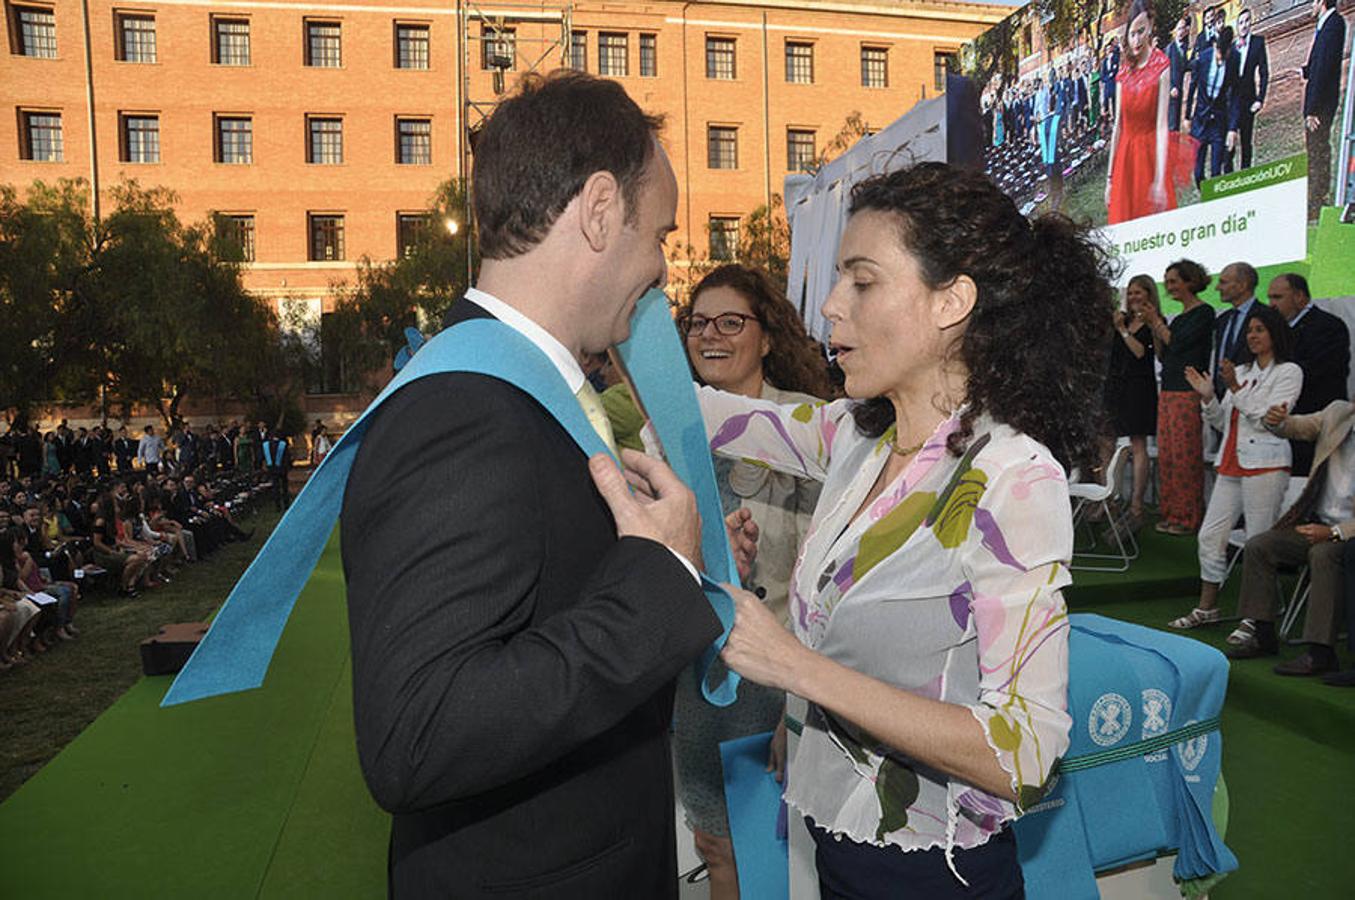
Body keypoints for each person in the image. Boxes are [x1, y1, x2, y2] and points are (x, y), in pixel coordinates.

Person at [342, 71, 733, 897]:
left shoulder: (524, 388)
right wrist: (656, 583)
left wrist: (657, 556)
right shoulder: (463, 410)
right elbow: (415, 736)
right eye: (657, 232)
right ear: (598, 210)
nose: (663, 267)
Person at [701, 162, 1109, 897]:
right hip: (839, 849)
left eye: (861, 281)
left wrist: (793, 666)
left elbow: (1024, 753)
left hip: (935, 875)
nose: (828, 306)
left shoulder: (1012, 477)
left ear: (951, 300)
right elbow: (699, 415)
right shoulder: (853, 439)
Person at [666, 264, 830, 898]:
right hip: (701, 677)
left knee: (783, 851)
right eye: (699, 323)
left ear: (766, 337)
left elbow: (833, 589)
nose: (712, 335)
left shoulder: (810, 427)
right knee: (715, 842)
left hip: (784, 680)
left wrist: (803, 707)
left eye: (731, 321)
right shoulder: (673, 431)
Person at [1171, 306, 1301, 629]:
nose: (1252, 336)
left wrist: (1234, 389)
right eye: (1250, 330)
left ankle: (1255, 620)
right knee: (1210, 536)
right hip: (1230, 464)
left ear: (1275, 334)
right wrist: (1207, 399)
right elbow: (1221, 423)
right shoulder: (1240, 371)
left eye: (1259, 330)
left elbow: (1270, 419)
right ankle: (1207, 608)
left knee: (1258, 544)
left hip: (1266, 464)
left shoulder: (1289, 372)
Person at [1231, 398, 1355, 677]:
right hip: (1316, 524)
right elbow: (1300, 426)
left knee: (1323, 554)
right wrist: (1277, 421)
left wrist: (1335, 533)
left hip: (1347, 536)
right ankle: (1262, 635)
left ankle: (1321, 653)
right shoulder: (1338, 412)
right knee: (1260, 545)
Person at [1142, 259, 1215, 534]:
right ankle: (1171, 513)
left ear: (1190, 282)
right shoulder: (1181, 317)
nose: (1169, 286)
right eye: (1167, 281)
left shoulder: (1203, 313)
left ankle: (1188, 518)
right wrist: (1155, 326)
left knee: (1185, 456)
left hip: (1188, 392)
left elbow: (1181, 346)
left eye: (1174, 281)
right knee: (1169, 455)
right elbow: (1165, 353)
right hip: (1169, 389)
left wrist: (1157, 324)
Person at [1106, 0, 1189, 224]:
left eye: (1141, 31)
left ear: (1151, 26)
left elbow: (1163, 125)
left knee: (1155, 223)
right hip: (1125, 158)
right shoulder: (1123, 71)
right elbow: (1117, 126)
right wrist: (1110, 179)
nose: (1136, 40)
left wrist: (1160, 179)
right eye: (1132, 33)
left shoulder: (1162, 65)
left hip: (1151, 154)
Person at [1267, 272, 1350, 475]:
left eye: (1277, 297)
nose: (1271, 304)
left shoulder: (1327, 326)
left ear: (1300, 297)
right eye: (1269, 297)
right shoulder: (1276, 330)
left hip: (1314, 424)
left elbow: (1317, 370)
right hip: (1281, 428)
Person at [1106, 275, 1160, 526]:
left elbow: (1139, 353)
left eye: (1139, 293)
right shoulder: (1122, 320)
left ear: (1149, 294)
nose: (1133, 297)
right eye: (1130, 293)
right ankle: (1110, 499)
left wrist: (1123, 330)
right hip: (1117, 386)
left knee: (1139, 444)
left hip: (1140, 388)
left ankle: (1137, 502)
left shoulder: (1152, 324)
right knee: (1106, 440)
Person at [1296, 0, 1347, 220]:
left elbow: (1326, 66)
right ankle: (1315, 198)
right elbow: (1319, 62)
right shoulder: (1327, 24)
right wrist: (1304, 70)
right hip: (1320, 100)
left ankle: (1317, 201)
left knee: (1318, 151)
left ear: (1322, 2)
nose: (1311, 6)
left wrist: (1312, 109)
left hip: (1321, 104)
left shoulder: (1333, 24)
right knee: (1315, 150)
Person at [1188, 24, 1238, 185]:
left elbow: (1235, 95)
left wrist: (1232, 129)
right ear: (1215, 46)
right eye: (1218, 55)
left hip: (1218, 121)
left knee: (1217, 171)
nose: (1220, 59)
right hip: (1200, 121)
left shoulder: (1233, 60)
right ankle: (1205, 195)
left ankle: (1215, 203)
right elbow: (1192, 87)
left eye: (1224, 56)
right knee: (1198, 172)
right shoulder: (1203, 58)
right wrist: (1187, 116)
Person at [1228, 7, 1269, 171]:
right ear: (1237, 25)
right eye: (1241, 22)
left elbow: (1264, 72)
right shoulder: (1231, 46)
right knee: (1229, 143)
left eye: (1247, 21)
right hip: (1231, 102)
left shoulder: (1258, 43)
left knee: (1246, 142)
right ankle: (1229, 178)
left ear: (1251, 23)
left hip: (1248, 100)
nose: (1244, 25)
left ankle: (1246, 175)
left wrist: (1260, 99)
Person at [1167, 16, 1193, 132]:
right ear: (1175, 31)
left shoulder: (1184, 48)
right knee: (1171, 124)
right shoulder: (1170, 49)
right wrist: (1171, 87)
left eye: (1183, 29)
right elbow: (1165, 70)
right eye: (1179, 29)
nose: (1181, 32)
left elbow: (1185, 66)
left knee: (1176, 124)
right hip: (1171, 91)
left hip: (1179, 90)